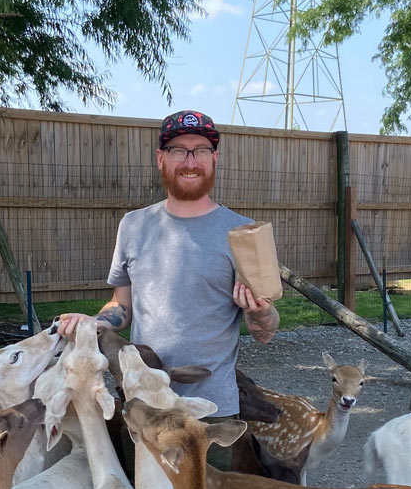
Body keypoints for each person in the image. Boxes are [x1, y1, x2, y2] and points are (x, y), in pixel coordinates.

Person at [59, 109, 279, 452]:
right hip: (144, 405)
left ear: (214, 159)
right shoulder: (133, 226)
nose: (190, 161)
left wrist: (258, 311)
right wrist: (94, 324)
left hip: (213, 414)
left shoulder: (243, 234)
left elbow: (265, 333)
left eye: (201, 150)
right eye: (179, 150)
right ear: (161, 158)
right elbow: (122, 305)